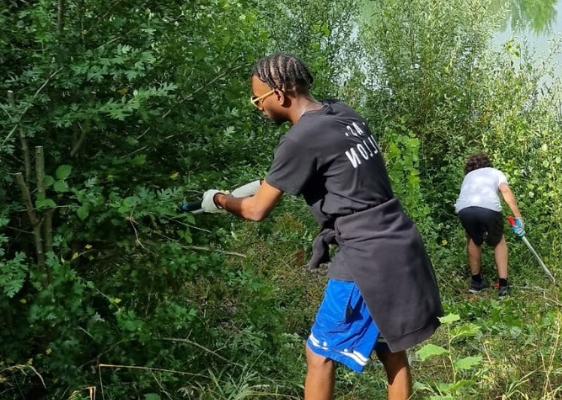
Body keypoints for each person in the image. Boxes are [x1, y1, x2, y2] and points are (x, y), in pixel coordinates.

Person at [200, 53, 443, 400]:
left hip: (365, 254)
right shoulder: (342, 112)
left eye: (258, 98)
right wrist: (267, 182)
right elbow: (337, 172)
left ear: (280, 94)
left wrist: (220, 200)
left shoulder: (299, 138)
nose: (257, 106)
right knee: (391, 351)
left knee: (318, 354)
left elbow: (255, 211)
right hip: (399, 240)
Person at [454, 152, 526, 297]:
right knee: (499, 240)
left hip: (463, 209)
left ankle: (476, 283)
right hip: (488, 208)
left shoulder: (468, 177)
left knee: (474, 239)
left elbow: (465, 198)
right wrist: (518, 216)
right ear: (488, 164)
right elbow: (505, 190)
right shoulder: (495, 172)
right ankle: (503, 286)